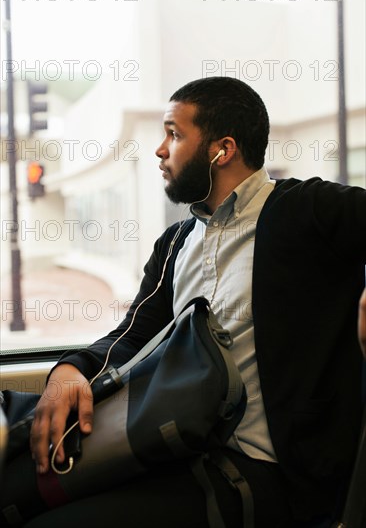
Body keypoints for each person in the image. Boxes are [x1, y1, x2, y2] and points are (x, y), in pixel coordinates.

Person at [3, 77, 366, 527]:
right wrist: (70, 370)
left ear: (222, 149)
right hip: (183, 446)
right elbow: (134, 334)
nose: (160, 149)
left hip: (271, 471)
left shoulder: (308, 211)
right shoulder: (175, 244)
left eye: (174, 134)